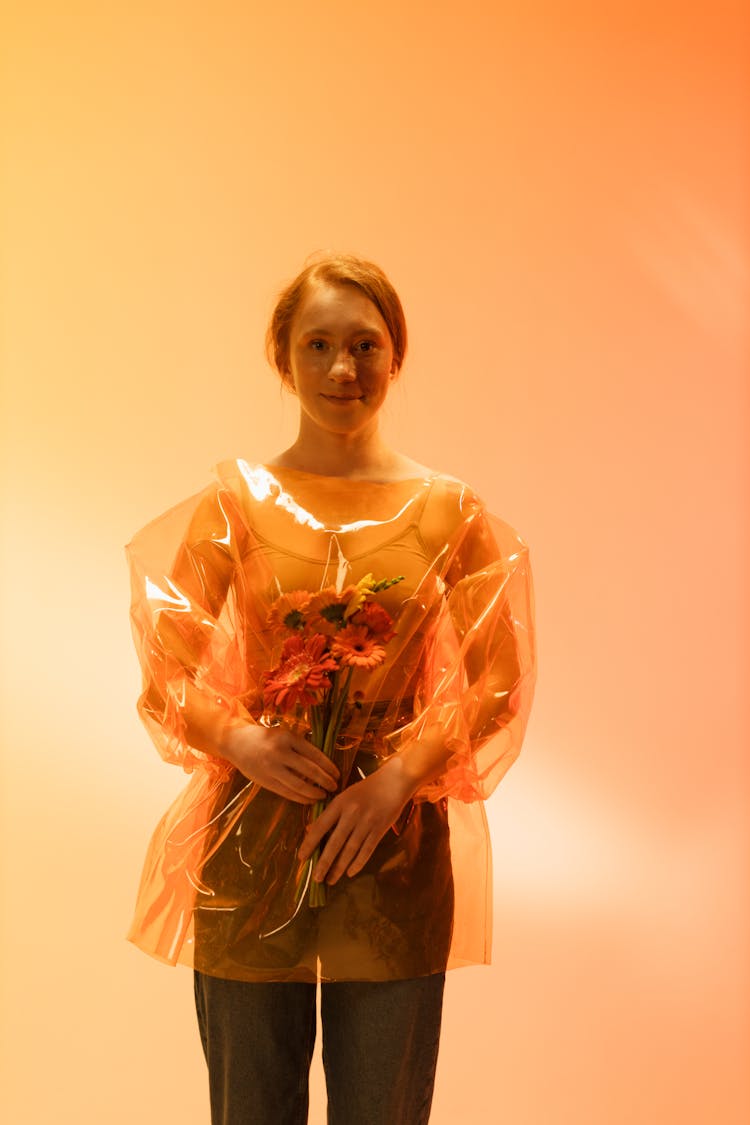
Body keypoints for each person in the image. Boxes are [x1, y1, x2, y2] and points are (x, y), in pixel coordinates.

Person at [125, 252, 537, 1124]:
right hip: (249, 849)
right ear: (284, 359)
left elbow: (502, 674)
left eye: (365, 345)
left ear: (397, 356)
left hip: (393, 857)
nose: (343, 369)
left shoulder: (447, 511)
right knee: (250, 1108)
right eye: (318, 344)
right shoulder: (236, 503)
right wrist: (239, 739)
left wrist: (397, 779)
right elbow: (167, 664)